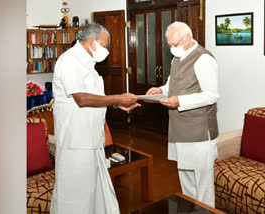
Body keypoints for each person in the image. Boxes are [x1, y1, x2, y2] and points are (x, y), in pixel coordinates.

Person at [50, 23, 140, 214]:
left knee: (93, 193)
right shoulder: (69, 61)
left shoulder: (88, 64)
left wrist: (117, 104)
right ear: (91, 42)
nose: (106, 51)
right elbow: (81, 99)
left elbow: (95, 99)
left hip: (92, 139)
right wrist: (118, 97)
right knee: (76, 196)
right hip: (76, 141)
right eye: (104, 45)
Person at [146, 21, 220, 207]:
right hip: (179, 128)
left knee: (202, 183)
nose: (172, 48)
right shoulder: (176, 58)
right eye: (169, 45)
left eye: (174, 44)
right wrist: (161, 89)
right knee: (185, 175)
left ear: (187, 38)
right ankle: (189, 209)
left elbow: (211, 95)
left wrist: (180, 101)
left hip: (199, 131)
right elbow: (174, 84)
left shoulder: (204, 59)